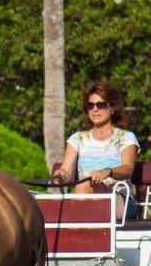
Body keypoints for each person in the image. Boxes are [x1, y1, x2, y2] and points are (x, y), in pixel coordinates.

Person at [58, 81, 140, 220]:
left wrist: (107, 172)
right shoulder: (77, 138)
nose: (95, 109)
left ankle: (76, 230)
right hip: (86, 197)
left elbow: (127, 169)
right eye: (90, 105)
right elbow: (66, 171)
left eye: (101, 105)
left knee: (84, 186)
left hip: (118, 198)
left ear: (112, 108)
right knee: (85, 185)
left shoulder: (126, 137)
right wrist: (60, 175)